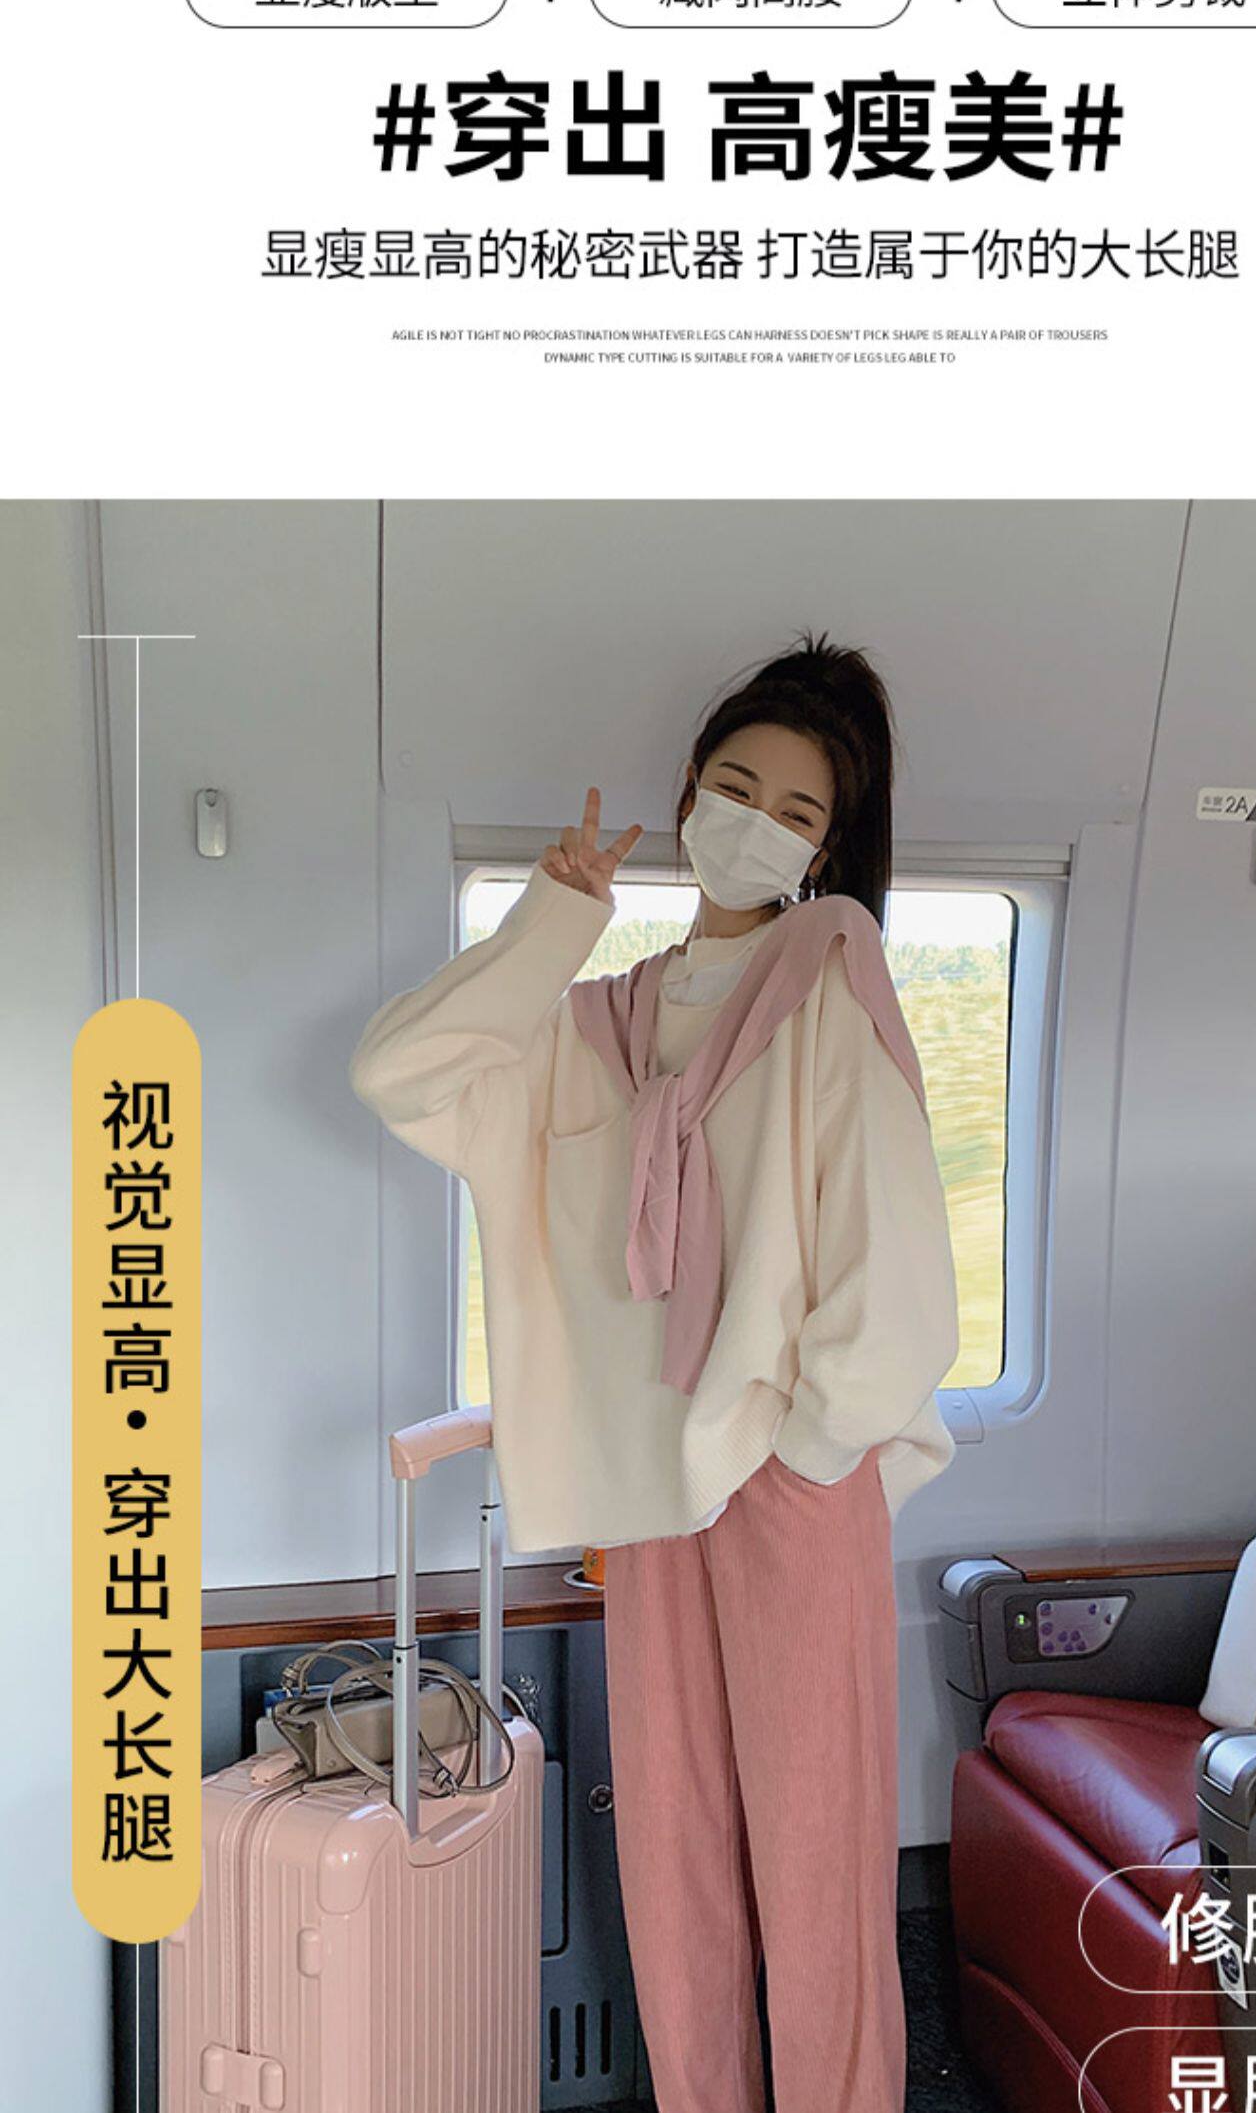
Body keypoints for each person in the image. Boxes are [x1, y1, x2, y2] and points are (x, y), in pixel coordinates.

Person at [348, 630, 962, 2113]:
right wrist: (555, 919)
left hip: (791, 1479)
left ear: (827, 848)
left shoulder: (831, 974)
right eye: (737, 787)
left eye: (798, 810)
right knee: (672, 1854)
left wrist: (804, 1445)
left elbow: (894, 1268)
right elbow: (400, 1075)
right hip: (651, 1486)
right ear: (690, 790)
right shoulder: (602, 1021)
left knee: (815, 1866)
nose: (757, 823)